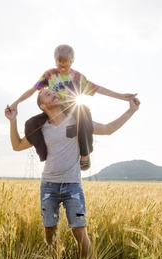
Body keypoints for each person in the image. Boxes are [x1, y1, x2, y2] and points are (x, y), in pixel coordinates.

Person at [5, 88, 140, 259]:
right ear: (42, 105)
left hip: (72, 185)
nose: (54, 94)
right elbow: (17, 145)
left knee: (79, 231)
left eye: (54, 92)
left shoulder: (78, 120)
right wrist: (12, 120)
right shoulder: (41, 128)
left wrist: (131, 110)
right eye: (48, 94)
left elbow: (108, 129)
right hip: (48, 186)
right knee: (50, 232)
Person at [9, 44, 137, 171]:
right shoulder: (49, 74)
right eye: (59, 66)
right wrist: (17, 102)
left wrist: (121, 96)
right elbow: (32, 90)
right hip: (52, 111)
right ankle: (43, 154)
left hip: (71, 109)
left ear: (72, 62)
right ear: (55, 61)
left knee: (84, 110)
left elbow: (98, 89)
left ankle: (85, 153)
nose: (63, 69)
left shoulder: (77, 77)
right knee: (30, 123)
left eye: (67, 66)